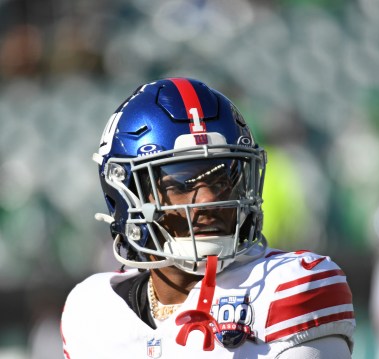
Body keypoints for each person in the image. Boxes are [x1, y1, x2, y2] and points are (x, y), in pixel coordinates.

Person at [61, 77, 356, 358]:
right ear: (127, 194)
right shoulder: (92, 312)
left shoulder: (285, 289)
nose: (208, 199)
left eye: (222, 180)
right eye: (181, 182)